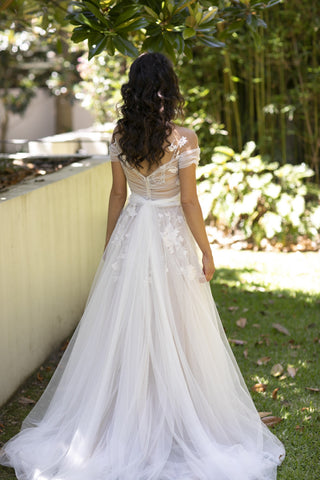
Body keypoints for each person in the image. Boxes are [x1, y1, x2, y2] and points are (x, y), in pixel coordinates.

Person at [0, 52, 285, 480]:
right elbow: (188, 201)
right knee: (179, 322)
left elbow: (118, 194)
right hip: (168, 232)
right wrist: (206, 251)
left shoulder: (120, 135)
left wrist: (111, 244)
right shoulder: (184, 139)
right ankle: (176, 411)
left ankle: (131, 410)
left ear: (132, 89)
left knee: (127, 322)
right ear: (168, 89)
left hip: (133, 230)